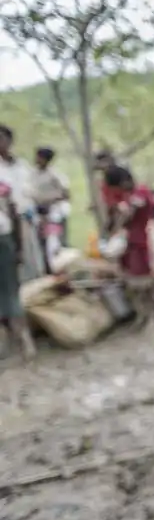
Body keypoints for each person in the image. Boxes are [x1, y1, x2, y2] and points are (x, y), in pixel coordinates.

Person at [0, 126, 45, 281]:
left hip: (25, 217)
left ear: (10, 141)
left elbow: (30, 192)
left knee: (29, 259)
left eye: (2, 138)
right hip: (6, 221)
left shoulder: (21, 166)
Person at [0, 177, 36, 360]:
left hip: (4, 243)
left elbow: (14, 217)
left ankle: (23, 339)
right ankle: (12, 339)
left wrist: (19, 248)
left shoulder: (3, 189)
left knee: (11, 292)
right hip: (6, 241)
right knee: (8, 293)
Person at [104, 165, 154, 277]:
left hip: (141, 241)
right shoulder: (127, 195)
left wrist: (123, 211)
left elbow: (132, 211)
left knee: (140, 275)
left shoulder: (141, 192)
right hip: (129, 243)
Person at [31, 147, 71, 271]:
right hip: (39, 213)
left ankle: (58, 268)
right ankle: (46, 269)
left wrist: (48, 199)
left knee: (53, 242)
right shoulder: (33, 173)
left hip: (53, 214)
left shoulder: (54, 175)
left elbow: (65, 194)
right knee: (41, 242)